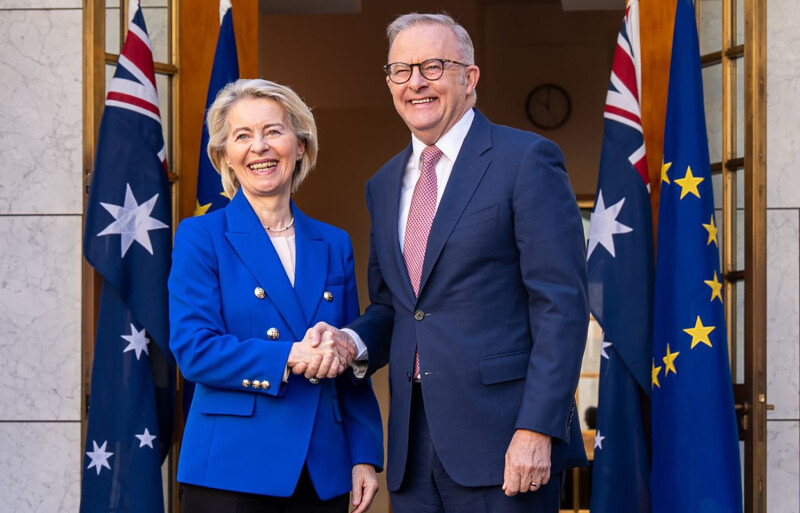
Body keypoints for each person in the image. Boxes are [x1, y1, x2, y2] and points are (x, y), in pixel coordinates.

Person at [306, 13, 589, 513]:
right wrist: (349, 341)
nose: (415, 82)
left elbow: (560, 307)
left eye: (433, 66)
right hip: (413, 453)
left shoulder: (527, 160)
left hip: (506, 444)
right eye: (401, 70)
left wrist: (537, 428)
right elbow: (395, 307)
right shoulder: (383, 183)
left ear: (469, 77)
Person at [168, 79, 383, 513]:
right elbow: (194, 350)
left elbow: (345, 356)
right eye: (242, 136)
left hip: (323, 468)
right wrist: (289, 357)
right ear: (224, 155)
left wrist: (363, 454)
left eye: (273, 131)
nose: (259, 147)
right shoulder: (201, 236)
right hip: (232, 469)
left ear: (300, 146)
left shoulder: (333, 242)